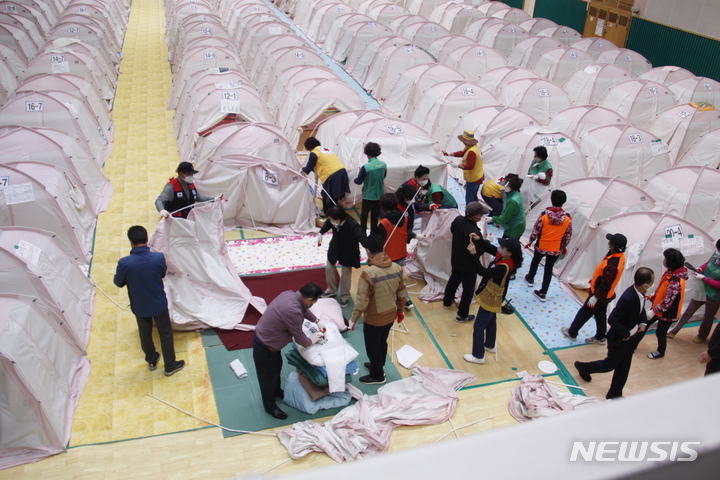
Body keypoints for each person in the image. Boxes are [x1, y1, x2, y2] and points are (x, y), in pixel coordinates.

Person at [573, 268, 655, 399]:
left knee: (624, 367)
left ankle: (615, 393)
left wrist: (643, 322)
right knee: (609, 365)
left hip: (631, 339)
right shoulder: (629, 297)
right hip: (620, 339)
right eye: (652, 282)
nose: (652, 285)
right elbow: (612, 318)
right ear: (645, 284)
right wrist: (626, 334)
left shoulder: (641, 294)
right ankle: (583, 367)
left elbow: (640, 311)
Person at [114, 226, 184, 376]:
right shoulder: (158, 258)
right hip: (158, 302)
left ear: (131, 242)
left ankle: (151, 360)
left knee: (145, 333)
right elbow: (162, 274)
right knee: (165, 333)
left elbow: (118, 283)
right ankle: (170, 365)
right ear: (147, 240)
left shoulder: (125, 263)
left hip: (139, 305)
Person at [252, 283, 325, 419]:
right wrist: (314, 339)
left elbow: (304, 310)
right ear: (309, 300)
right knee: (267, 377)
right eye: (314, 302)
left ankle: (276, 391)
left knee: (276, 368)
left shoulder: (290, 295)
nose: (312, 304)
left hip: (271, 343)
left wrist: (316, 320)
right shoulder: (292, 310)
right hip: (265, 345)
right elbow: (301, 339)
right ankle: (270, 406)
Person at [349, 235, 407, 384]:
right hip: (391, 314)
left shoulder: (369, 273)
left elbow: (362, 301)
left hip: (374, 318)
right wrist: (400, 310)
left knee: (373, 346)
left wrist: (353, 319)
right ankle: (378, 364)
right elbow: (402, 293)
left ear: (368, 251)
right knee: (382, 342)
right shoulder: (397, 268)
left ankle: (377, 375)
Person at [463, 237, 523, 364]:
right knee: (491, 320)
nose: (499, 247)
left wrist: (474, 255)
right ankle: (490, 345)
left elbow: (483, 271)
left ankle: (478, 355)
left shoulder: (503, 267)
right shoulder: (507, 259)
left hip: (491, 297)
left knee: (479, 327)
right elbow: (491, 248)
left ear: (509, 252)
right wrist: (480, 240)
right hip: (497, 297)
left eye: (503, 246)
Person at [562, 233, 627, 344]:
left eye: (610, 242)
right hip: (606, 295)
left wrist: (595, 297)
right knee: (600, 314)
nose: (608, 242)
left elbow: (606, 283)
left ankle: (572, 332)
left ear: (613, 246)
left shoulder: (612, 265)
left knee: (584, 313)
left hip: (600, 295)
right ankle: (601, 336)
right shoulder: (619, 256)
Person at [443, 201, 496, 323]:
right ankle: (462, 315)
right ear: (474, 216)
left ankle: (447, 301)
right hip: (469, 265)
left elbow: (452, 231)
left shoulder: (458, 220)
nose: (481, 217)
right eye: (480, 215)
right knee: (468, 290)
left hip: (456, 258)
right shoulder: (474, 232)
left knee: (454, 279)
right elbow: (479, 250)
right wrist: (485, 241)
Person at [524, 190, 572, 302]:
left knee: (535, 261)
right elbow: (568, 235)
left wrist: (531, 240)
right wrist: (564, 246)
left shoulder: (544, 215)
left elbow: (536, 229)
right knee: (548, 269)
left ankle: (530, 278)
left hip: (541, 244)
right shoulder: (567, 219)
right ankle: (543, 292)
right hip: (556, 248)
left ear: (551, 200)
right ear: (564, 201)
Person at [668, 238, 720, 342]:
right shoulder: (716, 254)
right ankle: (674, 331)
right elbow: (708, 263)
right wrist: (701, 268)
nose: (717, 252)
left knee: (708, 317)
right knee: (689, 310)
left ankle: (702, 336)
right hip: (702, 289)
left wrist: (705, 278)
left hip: (714, 295)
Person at [317, 205, 367, 308]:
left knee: (346, 274)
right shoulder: (333, 220)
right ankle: (331, 289)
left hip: (348, 251)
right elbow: (327, 224)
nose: (331, 221)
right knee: (329, 268)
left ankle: (345, 296)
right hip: (335, 247)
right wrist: (321, 233)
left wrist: (370, 248)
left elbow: (362, 238)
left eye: (332, 219)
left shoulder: (353, 225)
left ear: (339, 219)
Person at [645, 248, 688, 359]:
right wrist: (653, 298)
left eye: (666, 258)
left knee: (660, 333)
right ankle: (633, 344)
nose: (664, 260)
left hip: (667, 313)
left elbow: (667, 302)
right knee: (644, 323)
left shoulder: (675, 282)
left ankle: (660, 351)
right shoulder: (669, 273)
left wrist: (653, 311)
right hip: (658, 308)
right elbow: (662, 289)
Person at [375, 193, 414, 309]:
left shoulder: (384, 223)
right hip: (401, 253)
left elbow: (379, 241)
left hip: (389, 255)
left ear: (383, 207)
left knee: (389, 280)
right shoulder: (405, 218)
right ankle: (405, 300)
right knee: (398, 277)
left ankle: (394, 301)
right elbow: (407, 234)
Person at [302, 137, 350, 213]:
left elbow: (308, 167)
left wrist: (302, 170)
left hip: (332, 175)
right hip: (342, 171)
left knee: (328, 197)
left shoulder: (314, 153)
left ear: (309, 147)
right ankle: (335, 213)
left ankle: (329, 215)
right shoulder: (326, 150)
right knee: (336, 196)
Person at [443, 130, 484, 206]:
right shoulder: (473, 147)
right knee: (473, 196)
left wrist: (458, 165)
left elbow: (471, 166)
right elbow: (463, 153)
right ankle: (477, 210)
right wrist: (449, 153)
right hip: (478, 175)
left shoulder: (472, 151)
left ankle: (470, 213)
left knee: (470, 198)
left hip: (473, 178)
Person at [354, 142, 387, 231]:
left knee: (364, 216)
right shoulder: (383, 165)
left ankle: (363, 233)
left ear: (367, 153)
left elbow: (358, 181)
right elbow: (383, 176)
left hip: (368, 195)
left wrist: (355, 179)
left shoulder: (366, 167)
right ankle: (373, 233)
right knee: (375, 216)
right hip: (380, 195)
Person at [490, 173, 525, 239]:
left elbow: (504, 219)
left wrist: (492, 219)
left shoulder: (513, 201)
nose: (503, 187)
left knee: (507, 246)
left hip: (514, 228)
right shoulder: (515, 193)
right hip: (516, 224)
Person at [524, 146, 553, 210]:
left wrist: (536, 178)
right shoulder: (534, 161)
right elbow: (529, 171)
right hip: (531, 188)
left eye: (535, 155)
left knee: (535, 208)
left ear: (541, 157)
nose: (534, 157)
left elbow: (547, 182)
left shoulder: (548, 168)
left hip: (539, 191)